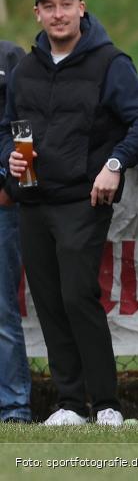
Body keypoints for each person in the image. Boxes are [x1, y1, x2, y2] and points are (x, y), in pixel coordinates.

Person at [0, 0, 138, 426]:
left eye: (65, 3)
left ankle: (106, 403)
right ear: (37, 14)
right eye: (48, 6)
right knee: (48, 301)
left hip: (83, 200)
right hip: (32, 200)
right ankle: (69, 404)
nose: (58, 13)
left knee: (77, 296)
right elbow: (6, 129)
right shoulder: (25, 70)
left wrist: (114, 165)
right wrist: (9, 157)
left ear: (81, 8)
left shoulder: (110, 63)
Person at [0, 39, 31, 424]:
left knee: (1, 315)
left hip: (2, 207)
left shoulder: (10, 56)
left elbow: (26, 124)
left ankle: (13, 409)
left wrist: (9, 189)